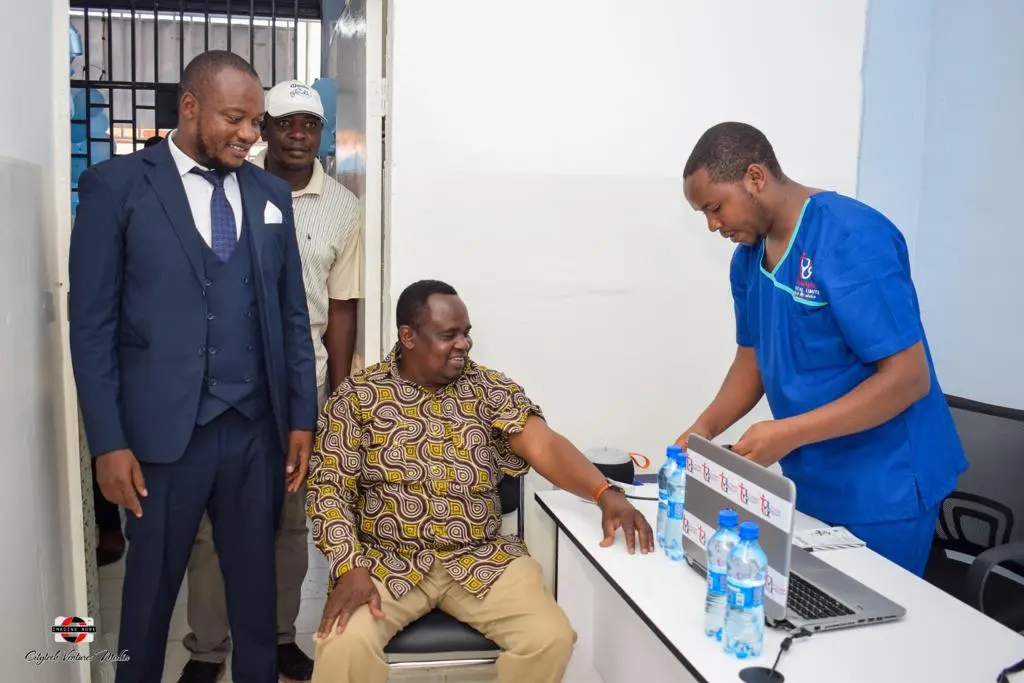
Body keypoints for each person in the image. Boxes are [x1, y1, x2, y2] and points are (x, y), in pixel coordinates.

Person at [68, 50, 318, 683]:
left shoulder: (268, 195)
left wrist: (299, 419)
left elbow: (291, 315)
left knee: (256, 596)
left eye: (255, 121)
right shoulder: (116, 187)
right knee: (148, 597)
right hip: (158, 441)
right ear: (189, 107)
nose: (249, 134)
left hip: (255, 431)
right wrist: (108, 443)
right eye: (235, 118)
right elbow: (91, 329)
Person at [306, 280, 654, 683]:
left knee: (551, 637)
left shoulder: (489, 389)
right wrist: (350, 566)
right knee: (341, 642)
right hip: (385, 562)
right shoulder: (357, 398)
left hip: (479, 559)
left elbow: (545, 446)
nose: (464, 344)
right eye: (448, 335)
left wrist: (604, 493)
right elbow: (329, 490)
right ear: (408, 337)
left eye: (466, 332)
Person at [677, 122, 967, 576]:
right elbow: (751, 360)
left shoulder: (850, 238)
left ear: (756, 178)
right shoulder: (749, 260)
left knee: (873, 633)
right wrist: (702, 431)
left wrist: (788, 432)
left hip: (883, 484)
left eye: (715, 208)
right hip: (813, 482)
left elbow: (908, 378)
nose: (714, 225)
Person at [181, 79, 362, 683]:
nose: (297, 135)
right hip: (220, 385)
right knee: (210, 525)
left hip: (296, 386)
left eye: (309, 124)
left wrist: (335, 399)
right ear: (266, 128)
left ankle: (281, 637)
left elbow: (340, 308)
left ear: (320, 132)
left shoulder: (343, 207)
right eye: (284, 123)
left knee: (288, 522)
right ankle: (208, 647)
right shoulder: (229, 185)